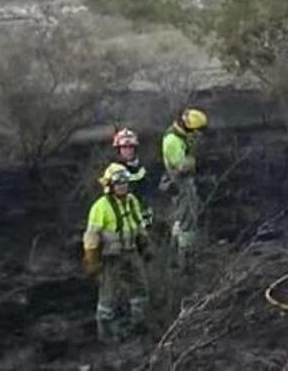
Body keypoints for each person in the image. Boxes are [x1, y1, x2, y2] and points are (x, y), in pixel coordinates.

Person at [82, 163, 152, 342]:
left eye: (125, 182)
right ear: (110, 185)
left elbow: (138, 225)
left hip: (131, 252)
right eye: (119, 183)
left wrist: (145, 245)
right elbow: (92, 235)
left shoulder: (132, 201)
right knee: (109, 295)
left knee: (140, 287)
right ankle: (106, 335)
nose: (123, 186)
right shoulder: (100, 207)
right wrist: (92, 259)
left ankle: (140, 324)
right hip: (110, 258)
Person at [159, 108, 207, 259]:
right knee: (188, 219)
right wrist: (194, 155)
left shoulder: (179, 135)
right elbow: (182, 166)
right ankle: (186, 258)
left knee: (179, 219)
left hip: (182, 181)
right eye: (196, 130)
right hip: (180, 182)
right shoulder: (173, 141)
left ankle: (175, 254)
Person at [111, 128, 152, 228]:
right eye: (124, 147)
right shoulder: (114, 169)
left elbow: (146, 190)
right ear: (118, 149)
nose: (128, 151)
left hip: (143, 216)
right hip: (125, 220)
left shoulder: (140, 167)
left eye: (131, 147)